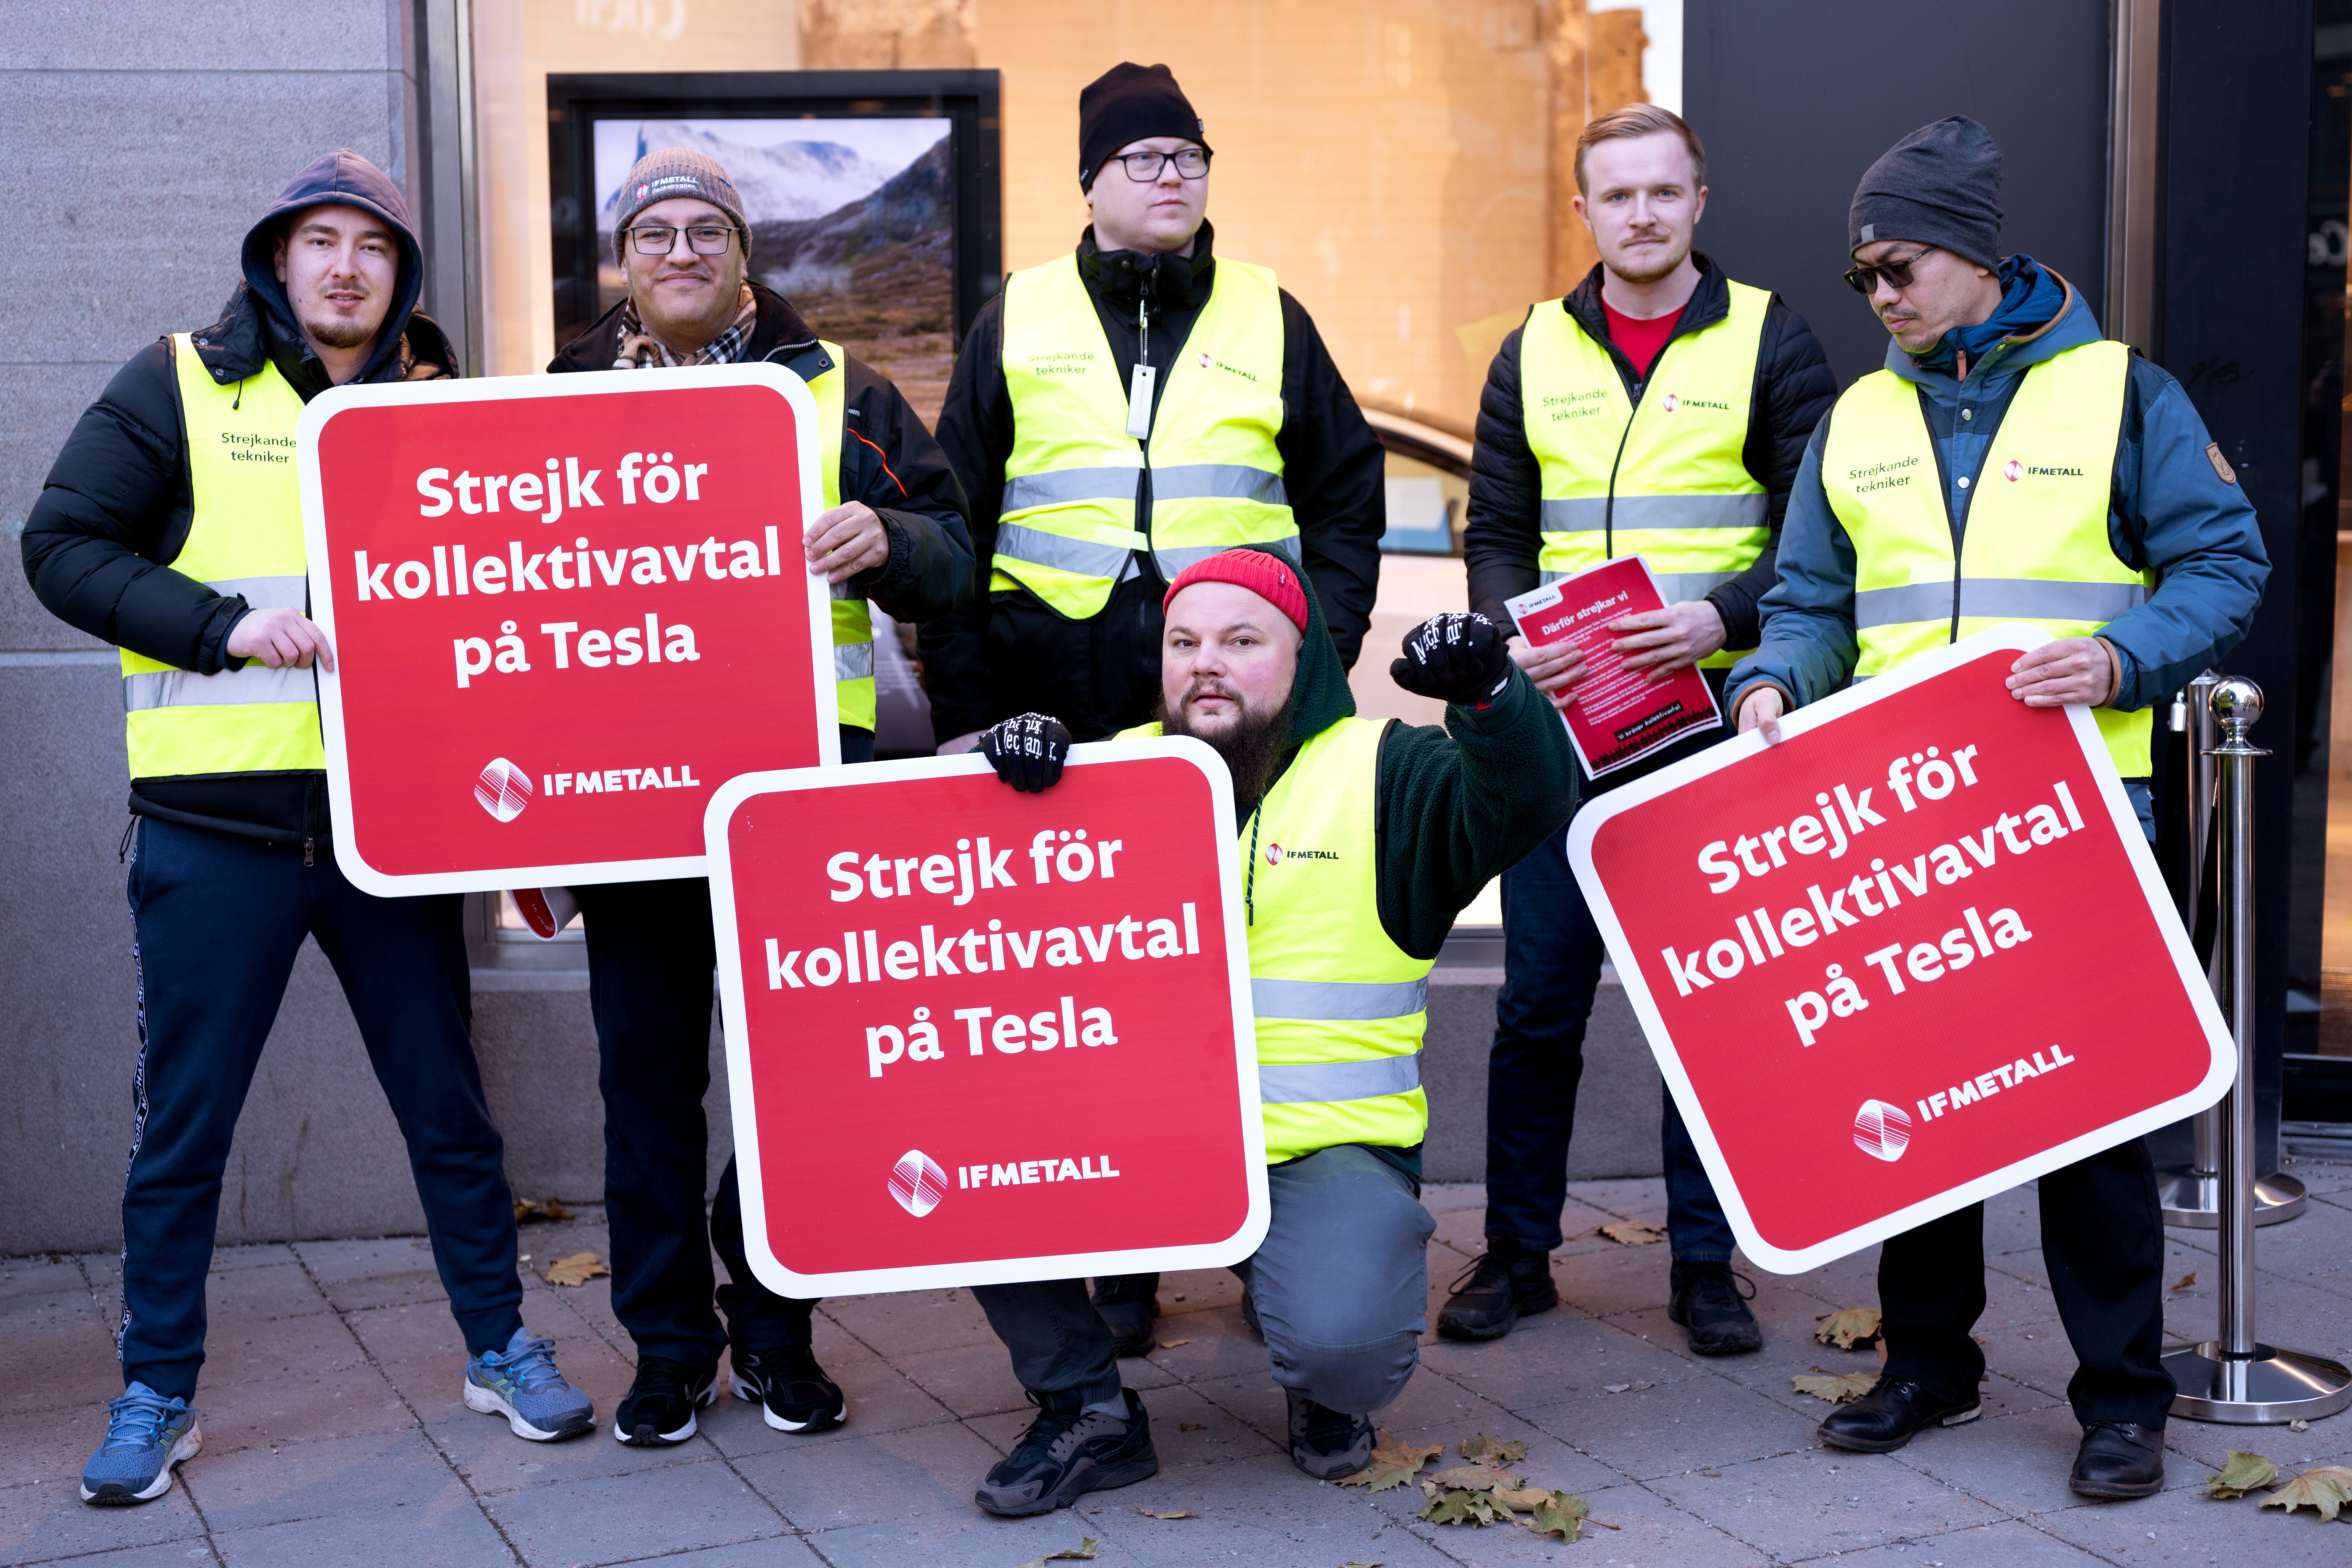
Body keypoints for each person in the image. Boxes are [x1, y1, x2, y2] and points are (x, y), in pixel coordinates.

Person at [22, 150, 593, 1507]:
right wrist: (221, 628)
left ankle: (499, 1343)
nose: (346, 265)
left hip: (391, 830)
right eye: (320, 240)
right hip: (214, 832)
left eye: (374, 247)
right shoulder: (179, 384)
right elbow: (61, 547)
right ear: (277, 259)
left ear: (401, 276)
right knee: (188, 1131)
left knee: (447, 1108)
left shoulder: (439, 408)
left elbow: (506, 614)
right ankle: (158, 1389)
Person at [1727, 116, 2268, 1498]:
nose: (1880, 298)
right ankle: (1928, 1365)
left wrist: (2116, 656)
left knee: (2089, 1118)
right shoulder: (1858, 416)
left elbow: (2224, 565)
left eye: (1896, 267)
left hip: (2081, 813)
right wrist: (1777, 684)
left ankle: (2121, 1397)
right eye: (1862, 281)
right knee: (1918, 1108)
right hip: (1904, 826)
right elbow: (1811, 604)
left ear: (1972, 256)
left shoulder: (2119, 394)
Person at [923, 60, 1388, 1357]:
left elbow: (1349, 493)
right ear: (1091, 184)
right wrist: (967, 710)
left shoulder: (1268, 313)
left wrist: (1321, 641)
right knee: (1090, 996)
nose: (1174, 175)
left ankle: (1254, 1236)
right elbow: (952, 527)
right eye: (1145, 158)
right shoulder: (1013, 315)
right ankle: (1118, 1254)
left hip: (1227, 721)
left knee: (1240, 978)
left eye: (1190, 156)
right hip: (1051, 712)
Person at [958, 547, 1575, 1515]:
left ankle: (1325, 1390)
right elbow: (930, 881)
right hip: (1129, 1143)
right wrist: (992, 764)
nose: (1206, 661)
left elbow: (1528, 798)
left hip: (1317, 1146)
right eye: (1184, 641)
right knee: (965, 1158)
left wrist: (1493, 697)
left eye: (1242, 640)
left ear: (1304, 660)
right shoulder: (1103, 768)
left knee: (1345, 1347)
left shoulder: (1384, 770)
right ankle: (1087, 1409)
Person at [546, 147, 975, 1445]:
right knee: (648, 1087)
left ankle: (777, 1330)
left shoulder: (839, 390)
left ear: (742, 252)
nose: (680, 252)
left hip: (800, 802)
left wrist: (890, 541)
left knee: (800, 1083)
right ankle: (671, 1350)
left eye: (705, 231)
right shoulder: (556, 393)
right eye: (656, 232)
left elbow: (955, 557)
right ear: (627, 258)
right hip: (631, 807)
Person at [1454, 105, 1836, 1353]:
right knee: (1537, 1002)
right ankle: (1515, 1254)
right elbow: (1497, 524)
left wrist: (1719, 617)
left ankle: (1702, 1261)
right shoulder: (1529, 349)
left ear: (1698, 199)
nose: (1640, 215)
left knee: (1703, 1005)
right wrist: (1513, 636)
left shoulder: (1771, 338)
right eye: (1615, 196)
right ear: (1581, 212)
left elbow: (1816, 535)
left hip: (1711, 716)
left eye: (1662, 192)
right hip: (1564, 724)